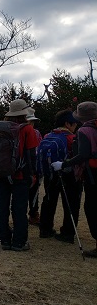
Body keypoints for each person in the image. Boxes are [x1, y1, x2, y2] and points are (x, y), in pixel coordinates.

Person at [52, 101, 97, 258]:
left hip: (93, 175)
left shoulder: (85, 130)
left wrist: (63, 164)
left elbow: (83, 155)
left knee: (91, 208)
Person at [0, 99, 38, 251]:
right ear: (24, 113)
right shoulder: (27, 129)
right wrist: (33, 175)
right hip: (20, 174)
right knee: (19, 208)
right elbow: (31, 155)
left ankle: (4, 239)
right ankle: (19, 242)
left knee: (2, 207)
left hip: (0, 174)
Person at [38, 110, 80, 243]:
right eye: (74, 124)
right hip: (69, 174)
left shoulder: (47, 136)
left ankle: (45, 228)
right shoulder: (71, 138)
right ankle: (67, 232)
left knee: (49, 199)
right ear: (68, 124)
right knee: (71, 202)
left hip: (50, 173)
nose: (76, 127)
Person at [26, 109, 43, 225]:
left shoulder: (36, 133)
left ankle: (33, 213)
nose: (31, 124)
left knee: (34, 192)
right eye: (30, 121)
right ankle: (26, 215)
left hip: (34, 166)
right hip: (25, 166)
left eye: (32, 122)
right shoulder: (33, 133)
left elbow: (40, 149)